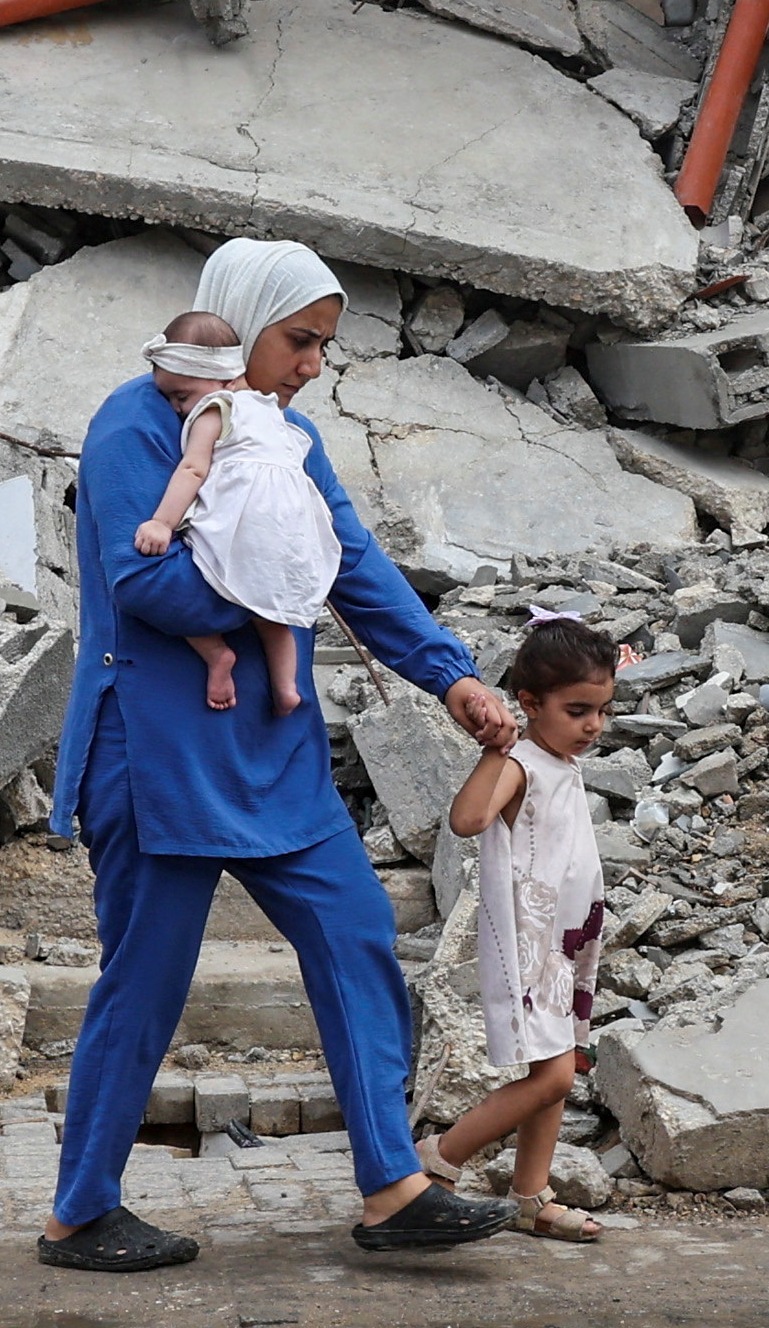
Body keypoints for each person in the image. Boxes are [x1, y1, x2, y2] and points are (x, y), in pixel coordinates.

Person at [41, 237, 523, 1275]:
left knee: (354, 937)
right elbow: (147, 586)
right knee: (145, 983)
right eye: (299, 340)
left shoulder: (284, 437)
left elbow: (352, 560)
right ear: (241, 322)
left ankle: (392, 1184)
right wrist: (283, 584)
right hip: (158, 750)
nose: (312, 364)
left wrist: (453, 676)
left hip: (272, 749)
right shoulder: (134, 422)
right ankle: (80, 1211)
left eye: (321, 346)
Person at [420, 611, 621, 1241]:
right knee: (555, 1074)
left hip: (569, 940)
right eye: (578, 710)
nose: (593, 725)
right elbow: (468, 819)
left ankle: (531, 1194)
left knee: (557, 1071)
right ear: (529, 704)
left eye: (602, 711)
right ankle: (437, 1160)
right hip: (531, 944)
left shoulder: (561, 761)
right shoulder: (523, 764)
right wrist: (494, 751)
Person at [128, 307, 326, 718]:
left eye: (182, 396)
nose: (177, 408)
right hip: (290, 530)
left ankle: (216, 653)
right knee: (272, 614)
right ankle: (287, 687)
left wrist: (161, 523)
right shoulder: (271, 410)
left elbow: (194, 468)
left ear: (219, 379)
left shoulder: (215, 407)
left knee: (190, 580)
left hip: (246, 523)